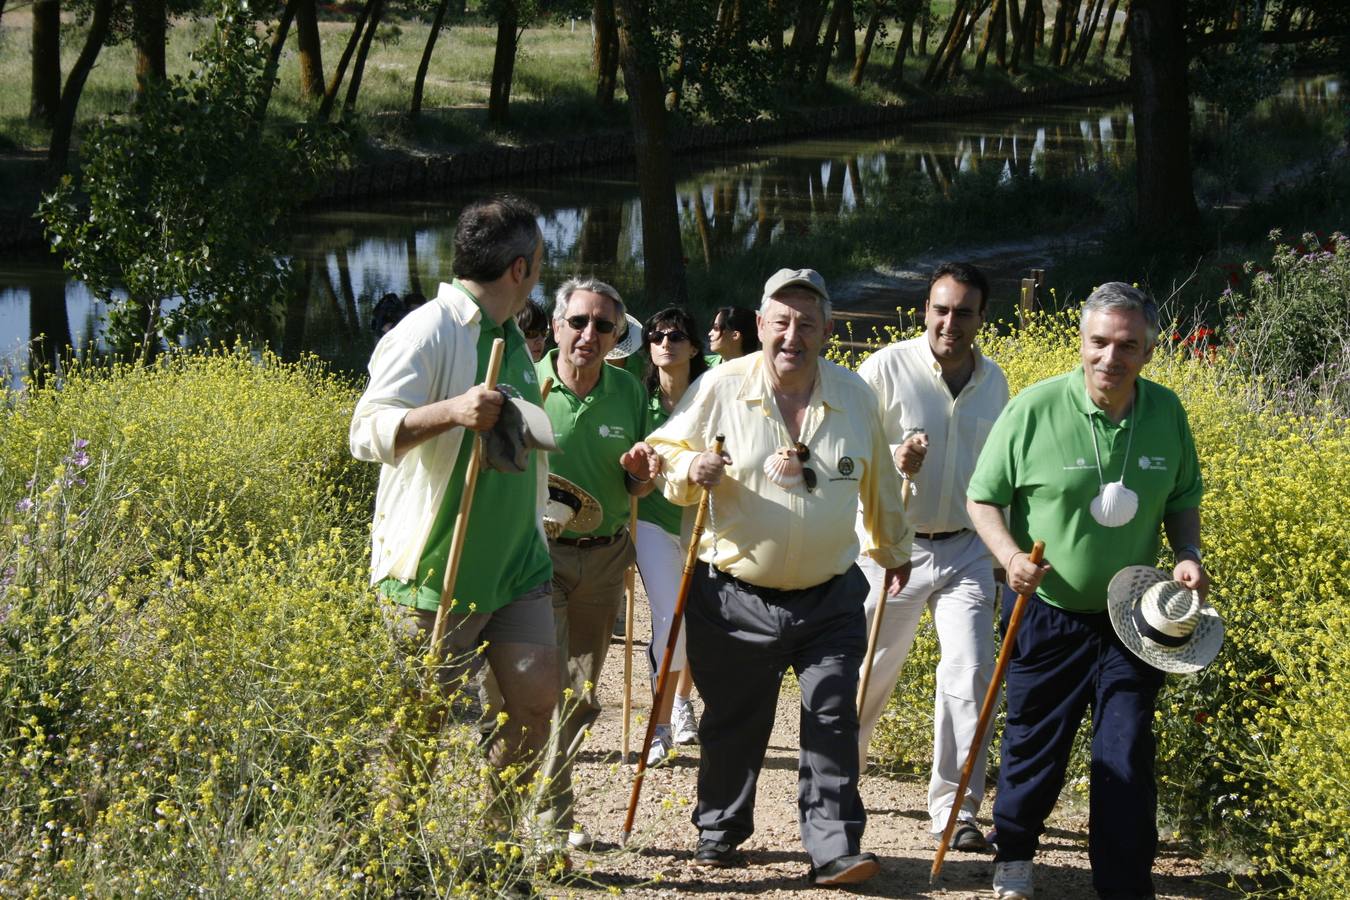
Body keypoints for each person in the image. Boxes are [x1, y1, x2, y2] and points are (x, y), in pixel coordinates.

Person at [641, 268, 913, 887]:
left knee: (833, 712)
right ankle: (721, 827)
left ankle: (835, 845)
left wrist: (894, 549)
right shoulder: (719, 386)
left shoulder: (855, 395)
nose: (794, 334)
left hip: (831, 595)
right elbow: (665, 453)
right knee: (735, 718)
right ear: (760, 326)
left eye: (807, 323)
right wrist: (693, 467)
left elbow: (879, 487)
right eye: (782, 321)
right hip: (734, 594)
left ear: (827, 330)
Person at [965, 282, 1211, 900]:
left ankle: (1124, 885)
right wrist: (1011, 557)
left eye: (1127, 344)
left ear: (1149, 350)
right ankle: (1015, 850)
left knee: (1125, 753)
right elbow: (982, 497)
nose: (1111, 357)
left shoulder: (1166, 413)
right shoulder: (1034, 409)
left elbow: (1182, 501)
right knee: (1034, 748)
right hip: (1048, 613)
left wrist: (1187, 555)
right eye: (1099, 342)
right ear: (1081, 343)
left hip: (1134, 621)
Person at [349, 195, 557, 777]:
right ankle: (396, 853)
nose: (540, 270)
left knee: (537, 704)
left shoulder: (510, 333)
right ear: (520, 268)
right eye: (539, 260)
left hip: (518, 564)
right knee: (417, 726)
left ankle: (494, 845)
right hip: (440, 567)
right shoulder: (429, 331)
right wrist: (454, 410)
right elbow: (365, 431)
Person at [854, 262, 1009, 852]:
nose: (951, 322)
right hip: (892, 546)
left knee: (970, 674)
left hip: (967, 549)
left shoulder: (995, 383)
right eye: (941, 309)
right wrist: (895, 457)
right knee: (868, 674)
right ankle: (840, 784)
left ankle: (955, 811)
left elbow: (999, 472)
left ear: (980, 318)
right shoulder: (885, 368)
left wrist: (1004, 549)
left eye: (963, 312)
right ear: (925, 310)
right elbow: (847, 450)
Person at [536, 277, 655, 846]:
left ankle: (544, 804)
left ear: (617, 336)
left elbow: (639, 484)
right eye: (578, 322)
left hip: (605, 559)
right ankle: (551, 818)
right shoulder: (523, 385)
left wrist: (639, 472)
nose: (589, 334)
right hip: (537, 559)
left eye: (603, 326)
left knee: (581, 697)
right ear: (556, 326)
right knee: (547, 684)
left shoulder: (630, 393)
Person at [634, 307, 710, 766]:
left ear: (694, 347)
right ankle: (660, 723)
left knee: (696, 623)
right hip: (652, 521)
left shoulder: (711, 395)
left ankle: (683, 703)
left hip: (706, 523)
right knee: (670, 617)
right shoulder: (636, 399)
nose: (665, 342)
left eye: (676, 335)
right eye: (656, 335)